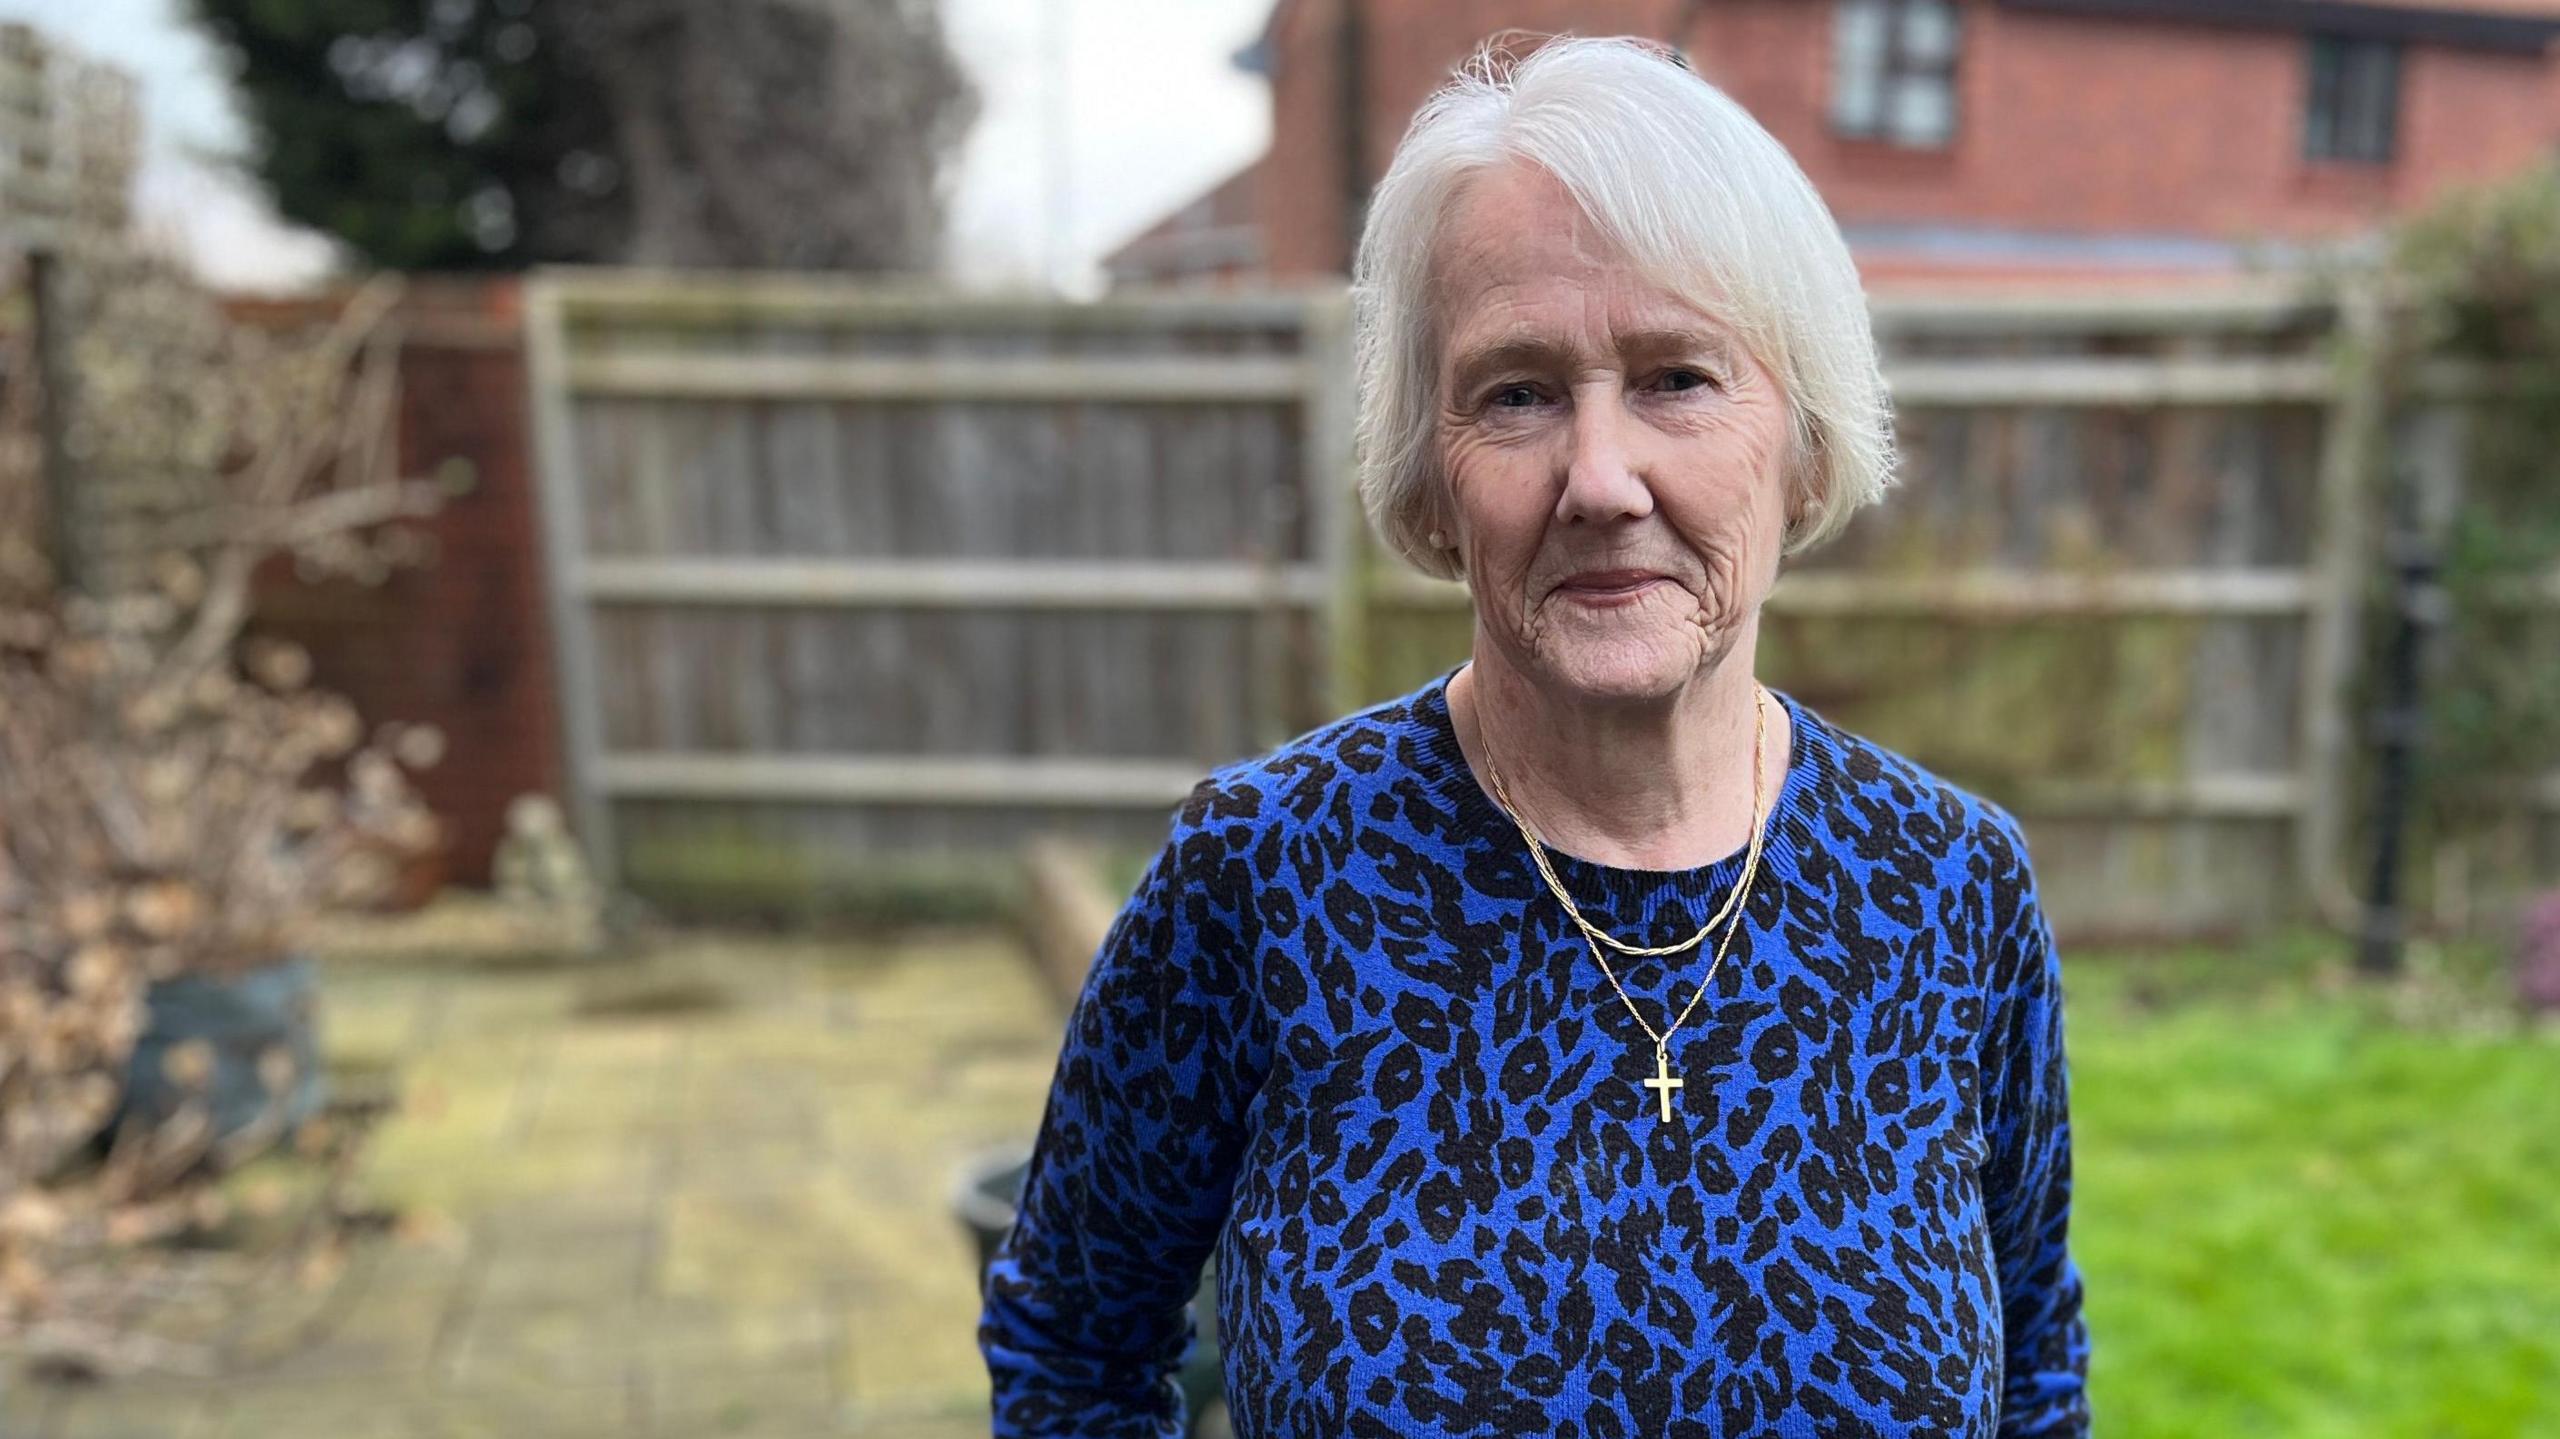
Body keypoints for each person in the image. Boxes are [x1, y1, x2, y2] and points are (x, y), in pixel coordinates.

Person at [981, 34, 2089, 1438]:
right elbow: (1072, 1343)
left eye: (1678, 377)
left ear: (1802, 443)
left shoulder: (1950, 889)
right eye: (1517, 393)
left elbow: (2035, 1365)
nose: (1602, 479)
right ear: (1429, 483)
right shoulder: (1263, 879)